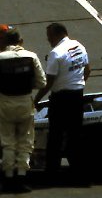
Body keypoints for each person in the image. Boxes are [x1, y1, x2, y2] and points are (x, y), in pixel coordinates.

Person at [33, 22, 91, 183]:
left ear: (58, 34)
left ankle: (52, 173)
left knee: (55, 137)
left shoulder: (56, 53)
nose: (49, 40)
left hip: (61, 99)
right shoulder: (79, 46)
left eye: (50, 37)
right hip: (77, 96)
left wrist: (36, 100)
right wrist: (77, 84)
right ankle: (79, 174)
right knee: (75, 135)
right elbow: (87, 70)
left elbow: (48, 82)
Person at [0, 27, 47, 193]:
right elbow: (42, 82)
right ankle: (21, 177)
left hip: (5, 102)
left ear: (5, 42)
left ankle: (7, 178)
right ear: (20, 41)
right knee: (25, 141)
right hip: (25, 102)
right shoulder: (31, 56)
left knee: (7, 142)